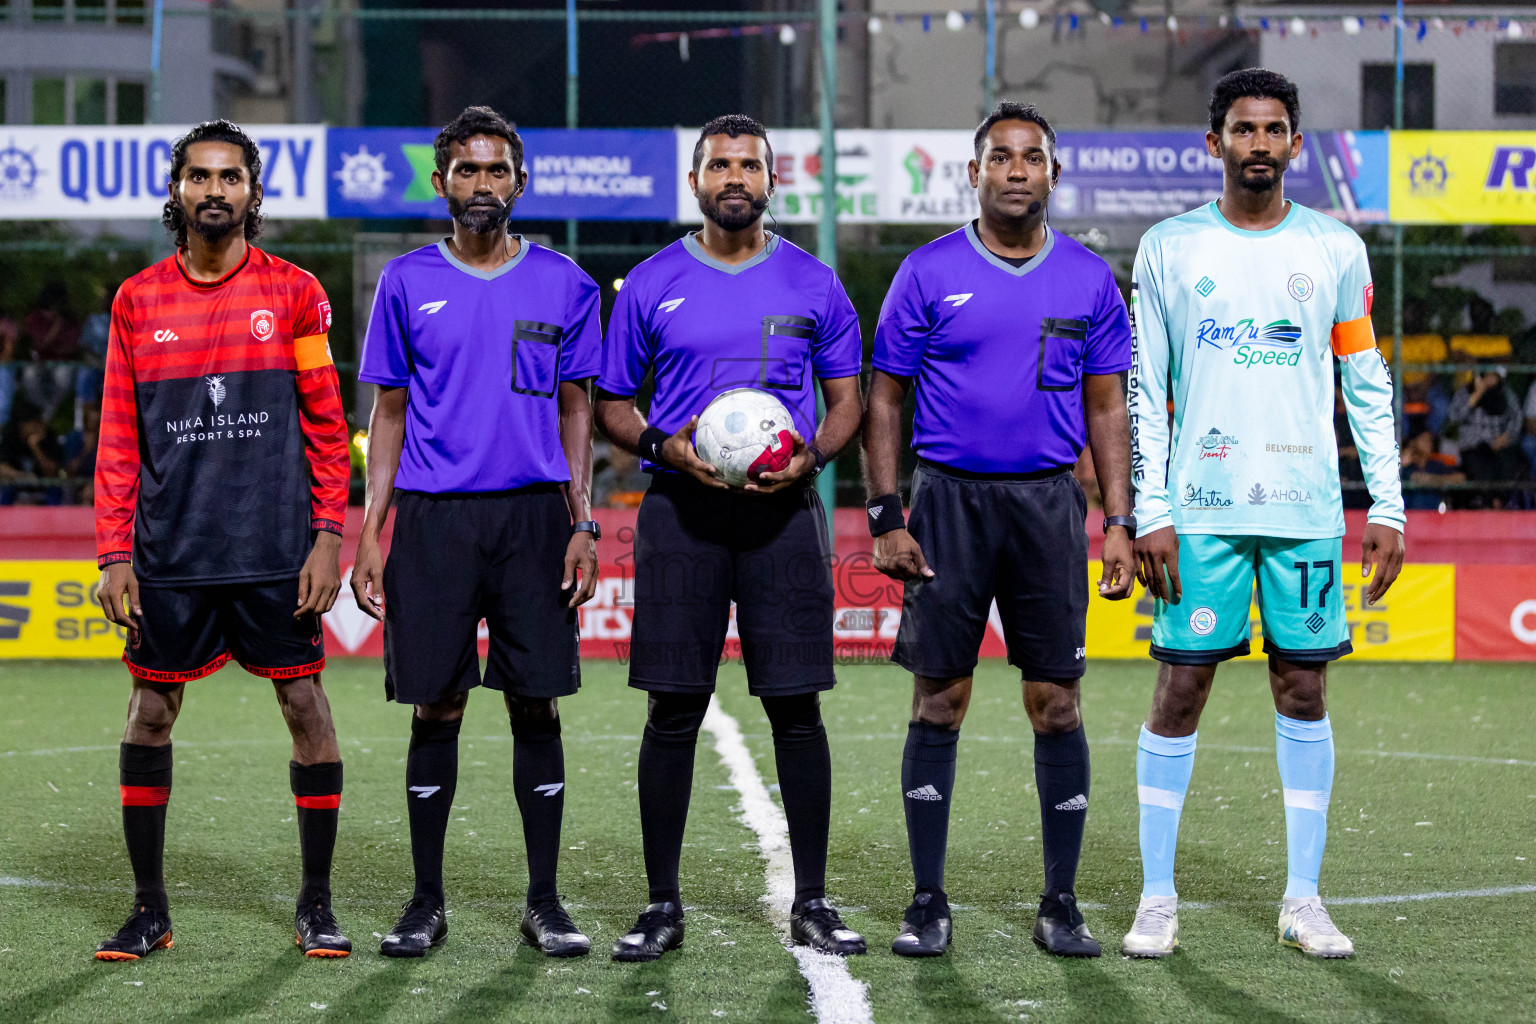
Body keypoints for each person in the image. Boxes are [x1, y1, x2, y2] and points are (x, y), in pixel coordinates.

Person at [1124, 69, 1405, 959]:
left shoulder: (1335, 249)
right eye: (1242, 129)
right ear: (1215, 145)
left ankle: (1304, 898)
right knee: (1181, 689)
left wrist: (1388, 504)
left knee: (1304, 687)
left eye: (1274, 129)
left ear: (1292, 145)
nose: (1258, 143)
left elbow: (1365, 382)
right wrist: (1150, 508)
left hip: (1307, 511)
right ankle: (1157, 897)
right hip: (1198, 514)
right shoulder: (1169, 247)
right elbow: (1145, 391)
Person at [864, 101, 1136, 960]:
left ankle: (1060, 902)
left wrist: (1120, 521)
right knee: (939, 698)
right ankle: (927, 901)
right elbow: (884, 396)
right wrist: (885, 514)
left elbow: (1106, 405)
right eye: (1000, 157)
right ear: (974, 173)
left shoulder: (1089, 279)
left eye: (1032, 157)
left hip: (1049, 507)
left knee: (1056, 703)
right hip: (946, 504)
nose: (1017, 169)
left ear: (1053, 173)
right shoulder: (925, 271)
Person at [594, 114, 866, 961]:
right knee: (673, 708)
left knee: (795, 708)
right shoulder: (648, 283)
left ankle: (813, 901)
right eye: (720, 164)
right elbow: (611, 404)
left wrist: (813, 455)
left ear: (771, 179)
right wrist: (665, 447)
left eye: (750, 164)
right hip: (682, 512)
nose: (735, 176)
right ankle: (662, 904)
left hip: (784, 516)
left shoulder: (816, 283)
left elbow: (849, 400)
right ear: (696, 181)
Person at [92, 120, 353, 961]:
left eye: (229, 178)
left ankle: (316, 903)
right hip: (173, 553)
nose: (214, 191)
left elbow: (325, 424)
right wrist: (112, 551)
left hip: (276, 549)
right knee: (149, 713)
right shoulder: (137, 300)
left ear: (252, 192)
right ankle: (149, 910)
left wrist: (326, 536)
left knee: (307, 708)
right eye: (199, 178)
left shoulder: (295, 294)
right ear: (176, 192)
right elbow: (119, 438)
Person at [351, 106, 601, 960]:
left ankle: (544, 900)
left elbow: (579, 414)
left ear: (519, 182)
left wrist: (582, 521)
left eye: (497, 171)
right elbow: (387, 415)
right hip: (432, 518)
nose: (483, 184)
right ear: (442, 182)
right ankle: (426, 901)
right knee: (438, 702)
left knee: (536, 700)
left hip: (535, 516)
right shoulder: (404, 281)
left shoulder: (566, 283)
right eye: (468, 170)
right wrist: (368, 532)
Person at [1447, 368, 1525, 504]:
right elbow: (1454, 418)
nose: (1489, 380)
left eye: (1492, 377)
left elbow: (1517, 417)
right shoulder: (1466, 392)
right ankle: (1489, 504)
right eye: (1486, 376)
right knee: (1480, 468)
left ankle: (1500, 504)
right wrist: (1476, 396)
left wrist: (1507, 437)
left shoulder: (1505, 393)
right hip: (1473, 447)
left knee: (1511, 464)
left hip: (1499, 445)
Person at [21, 280, 81, 422]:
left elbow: (72, 347)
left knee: (63, 376)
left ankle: (45, 415)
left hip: (62, 364)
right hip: (39, 363)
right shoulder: (34, 319)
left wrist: (57, 346)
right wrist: (55, 328)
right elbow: (38, 345)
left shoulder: (70, 321)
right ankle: (44, 410)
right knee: (29, 375)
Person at [0, 398, 66, 505]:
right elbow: (2, 467)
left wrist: (36, 448)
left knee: (55, 489)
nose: (38, 426)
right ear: (23, 424)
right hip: (17, 484)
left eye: (39, 421)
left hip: (43, 485)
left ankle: (54, 520)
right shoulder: (11, 435)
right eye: (34, 422)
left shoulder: (48, 436)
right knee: (7, 490)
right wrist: (22, 476)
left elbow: (52, 473)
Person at [1400, 428, 1462, 511]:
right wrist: (1442, 480)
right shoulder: (1405, 465)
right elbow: (1417, 478)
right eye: (1424, 441)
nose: (1429, 444)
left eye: (1430, 441)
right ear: (1412, 443)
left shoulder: (1435, 464)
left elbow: (1460, 477)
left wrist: (1434, 480)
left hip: (1434, 517)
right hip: (1409, 515)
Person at [63, 401, 101, 504]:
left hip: (101, 486)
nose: (96, 429)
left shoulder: (109, 441)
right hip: (77, 485)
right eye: (92, 423)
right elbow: (69, 471)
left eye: (98, 424)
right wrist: (86, 450)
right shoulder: (74, 438)